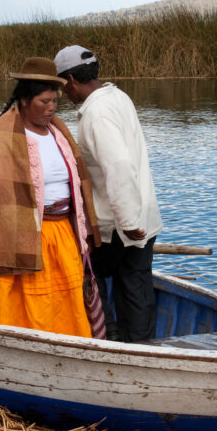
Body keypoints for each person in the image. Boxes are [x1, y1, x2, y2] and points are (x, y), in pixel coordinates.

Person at [0, 57, 103, 338]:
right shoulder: (1, 136)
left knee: (67, 299)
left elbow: (79, 183)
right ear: (24, 100)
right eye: (44, 101)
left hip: (62, 233)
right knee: (31, 300)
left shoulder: (59, 132)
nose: (51, 108)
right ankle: (23, 346)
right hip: (22, 237)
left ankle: (72, 345)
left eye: (55, 101)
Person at [54, 45, 163, 342]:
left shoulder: (96, 114)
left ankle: (109, 336)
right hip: (142, 213)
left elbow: (118, 165)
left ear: (71, 80)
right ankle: (142, 347)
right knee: (136, 285)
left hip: (120, 223)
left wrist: (127, 222)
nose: (64, 95)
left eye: (63, 87)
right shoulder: (118, 97)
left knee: (88, 272)